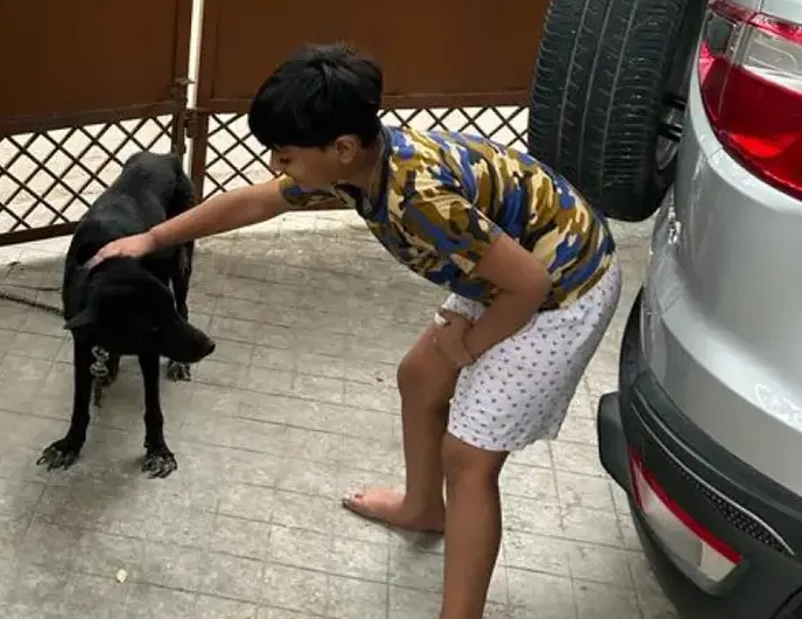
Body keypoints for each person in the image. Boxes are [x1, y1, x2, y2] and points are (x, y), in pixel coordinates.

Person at [91, 43, 622, 619]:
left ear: (341, 149)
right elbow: (251, 204)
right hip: (509, 267)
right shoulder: (358, 166)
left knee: (469, 460)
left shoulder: (419, 199)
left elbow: (530, 284)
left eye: (285, 156)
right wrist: (151, 239)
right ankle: (423, 508)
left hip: (566, 287)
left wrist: (469, 345)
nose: (276, 167)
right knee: (420, 378)